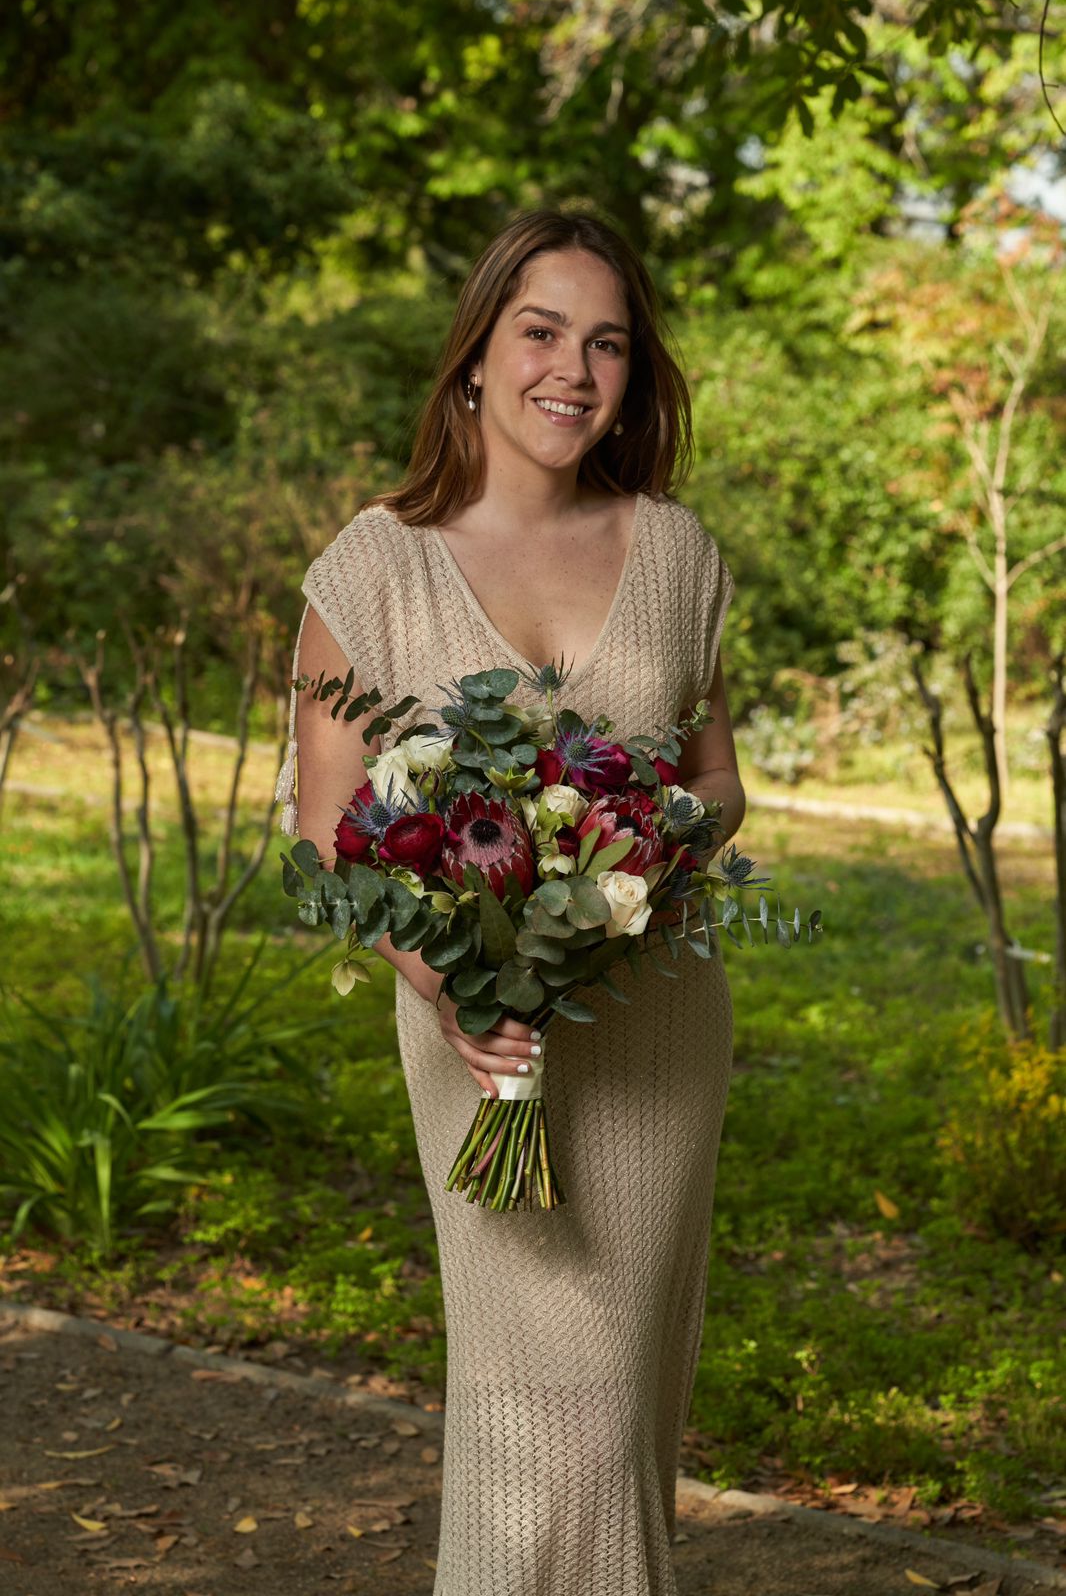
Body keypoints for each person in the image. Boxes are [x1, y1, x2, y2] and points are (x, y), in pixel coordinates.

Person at [276, 208, 744, 1596]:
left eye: (607, 344)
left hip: (653, 1020)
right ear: (475, 353)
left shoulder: (677, 554)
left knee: (617, 1404)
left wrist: (638, 851)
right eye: (540, 331)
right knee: (533, 1399)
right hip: (477, 1042)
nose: (572, 370)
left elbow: (718, 783)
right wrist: (456, 976)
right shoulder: (367, 570)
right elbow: (325, 837)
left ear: (634, 377)